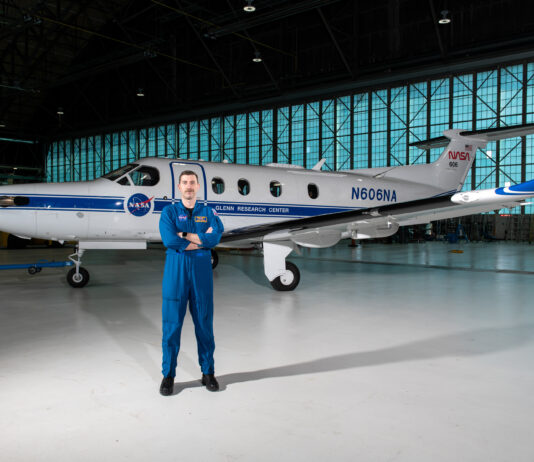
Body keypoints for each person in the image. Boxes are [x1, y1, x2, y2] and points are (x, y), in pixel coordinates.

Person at [158, 170, 224, 396]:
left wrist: (184, 234)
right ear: (179, 187)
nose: (188, 186)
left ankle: (208, 373)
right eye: (184, 182)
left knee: (205, 324)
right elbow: (169, 239)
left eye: (192, 183)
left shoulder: (208, 212)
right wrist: (200, 240)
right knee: (171, 326)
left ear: (198, 187)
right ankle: (168, 376)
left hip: (201, 273)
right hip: (175, 272)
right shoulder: (169, 212)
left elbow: (215, 237)